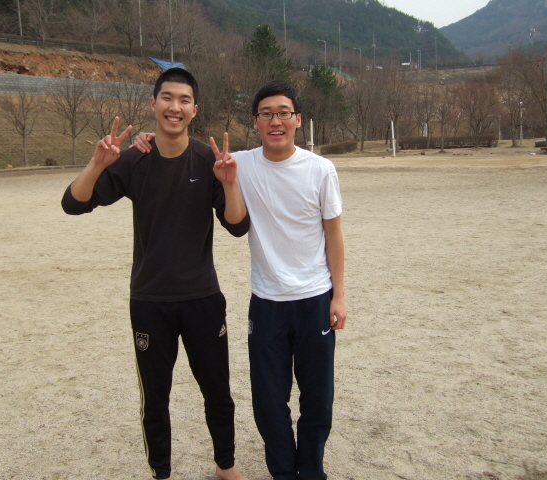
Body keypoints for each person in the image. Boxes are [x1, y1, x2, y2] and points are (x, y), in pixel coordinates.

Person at [134, 80, 347, 480]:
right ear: (255, 122)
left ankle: (311, 470)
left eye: (284, 113)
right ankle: (282, 472)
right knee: (269, 401)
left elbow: (333, 235)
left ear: (298, 120)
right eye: (266, 114)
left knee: (318, 398)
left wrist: (339, 296)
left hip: (315, 297)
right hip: (266, 302)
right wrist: (149, 136)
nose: (275, 121)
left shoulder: (321, 169)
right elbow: (181, 143)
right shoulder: (239, 164)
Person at [61, 67, 249, 480]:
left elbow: (238, 226)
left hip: (202, 297)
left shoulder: (209, 160)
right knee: (155, 399)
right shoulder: (135, 159)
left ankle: (226, 465)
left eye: (184, 100)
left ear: (195, 109)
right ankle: (160, 472)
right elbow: (73, 204)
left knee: (217, 391)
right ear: (153, 104)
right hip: (150, 300)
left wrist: (230, 184)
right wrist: (97, 163)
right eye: (167, 98)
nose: (175, 107)